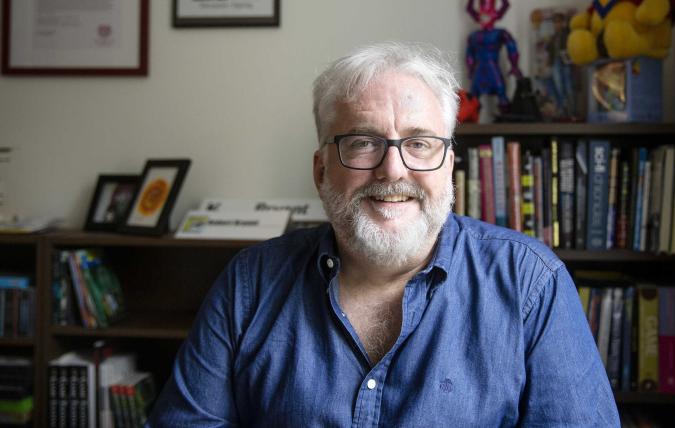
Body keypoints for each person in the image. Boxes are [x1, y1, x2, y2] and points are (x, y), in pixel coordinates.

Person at [147, 42, 619, 426]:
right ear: (321, 169)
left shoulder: (530, 284)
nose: (393, 170)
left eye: (418, 143)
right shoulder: (249, 284)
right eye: (362, 142)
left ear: (449, 164)